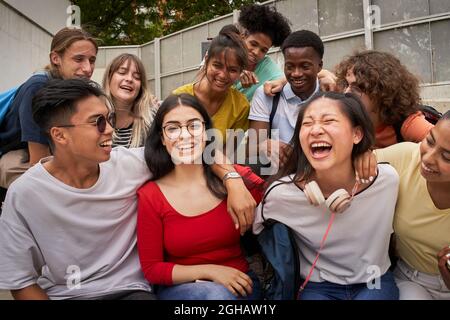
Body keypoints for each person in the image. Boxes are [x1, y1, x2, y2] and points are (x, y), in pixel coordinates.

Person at [0, 79, 257, 300]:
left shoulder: (129, 164)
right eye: (98, 122)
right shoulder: (25, 195)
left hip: (130, 290)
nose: (111, 129)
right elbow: (20, 280)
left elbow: (196, 146)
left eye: (110, 119)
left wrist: (233, 180)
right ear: (60, 135)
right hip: (65, 294)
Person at [253, 92, 400, 300]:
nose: (316, 130)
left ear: (356, 134)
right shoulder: (282, 194)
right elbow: (256, 229)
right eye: (307, 123)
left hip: (374, 280)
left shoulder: (386, 181)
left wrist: (369, 152)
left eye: (329, 121)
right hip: (317, 287)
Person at [137, 93, 264, 300]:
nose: (185, 135)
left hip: (242, 285)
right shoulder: (151, 195)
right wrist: (211, 271)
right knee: (215, 296)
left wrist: (234, 181)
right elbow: (152, 269)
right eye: (173, 128)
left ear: (206, 132)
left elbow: (279, 199)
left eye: (193, 125)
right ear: (162, 138)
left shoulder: (233, 178)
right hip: (184, 290)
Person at [363, 111, 450, 300]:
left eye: (447, 157)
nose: (427, 158)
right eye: (430, 141)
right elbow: (347, 165)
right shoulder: (405, 157)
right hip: (411, 281)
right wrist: (362, 158)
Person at [0, 27, 98, 190]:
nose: (88, 68)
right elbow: (38, 163)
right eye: (78, 59)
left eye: (92, 60)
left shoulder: (74, 89)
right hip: (14, 160)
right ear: (55, 58)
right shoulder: (38, 88)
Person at [248, 30, 324, 169]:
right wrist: (264, 145)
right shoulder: (267, 94)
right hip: (280, 172)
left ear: (320, 66)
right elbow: (253, 147)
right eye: (289, 66)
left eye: (305, 66)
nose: (296, 73)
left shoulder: (330, 95)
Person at [335, 50, 434, 148]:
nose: (347, 92)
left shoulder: (408, 124)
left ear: (381, 92)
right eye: (347, 84)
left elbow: (444, 144)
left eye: (357, 88)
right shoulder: (348, 119)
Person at [174, 30, 250, 144]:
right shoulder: (178, 97)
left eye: (232, 70)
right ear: (206, 60)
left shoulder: (241, 106)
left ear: (240, 72)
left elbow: (229, 151)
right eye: (217, 66)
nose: (223, 75)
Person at [234, 3, 291, 101]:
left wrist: (324, 74)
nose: (256, 52)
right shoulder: (223, 53)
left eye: (263, 50)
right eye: (253, 44)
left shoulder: (268, 70)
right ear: (243, 37)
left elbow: (294, 79)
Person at [102, 53, 158, 148]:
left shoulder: (151, 119)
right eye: (122, 72)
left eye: (137, 77)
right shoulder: (93, 118)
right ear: (109, 77)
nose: (129, 79)